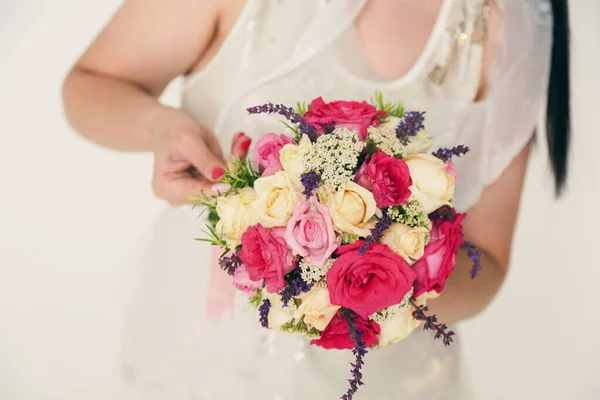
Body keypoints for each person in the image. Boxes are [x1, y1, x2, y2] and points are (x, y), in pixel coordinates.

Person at [62, 0, 570, 398]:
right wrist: (156, 125)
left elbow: (489, 257)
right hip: (205, 356)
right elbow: (90, 83)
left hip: (387, 383)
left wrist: (387, 281)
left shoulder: (504, 26)